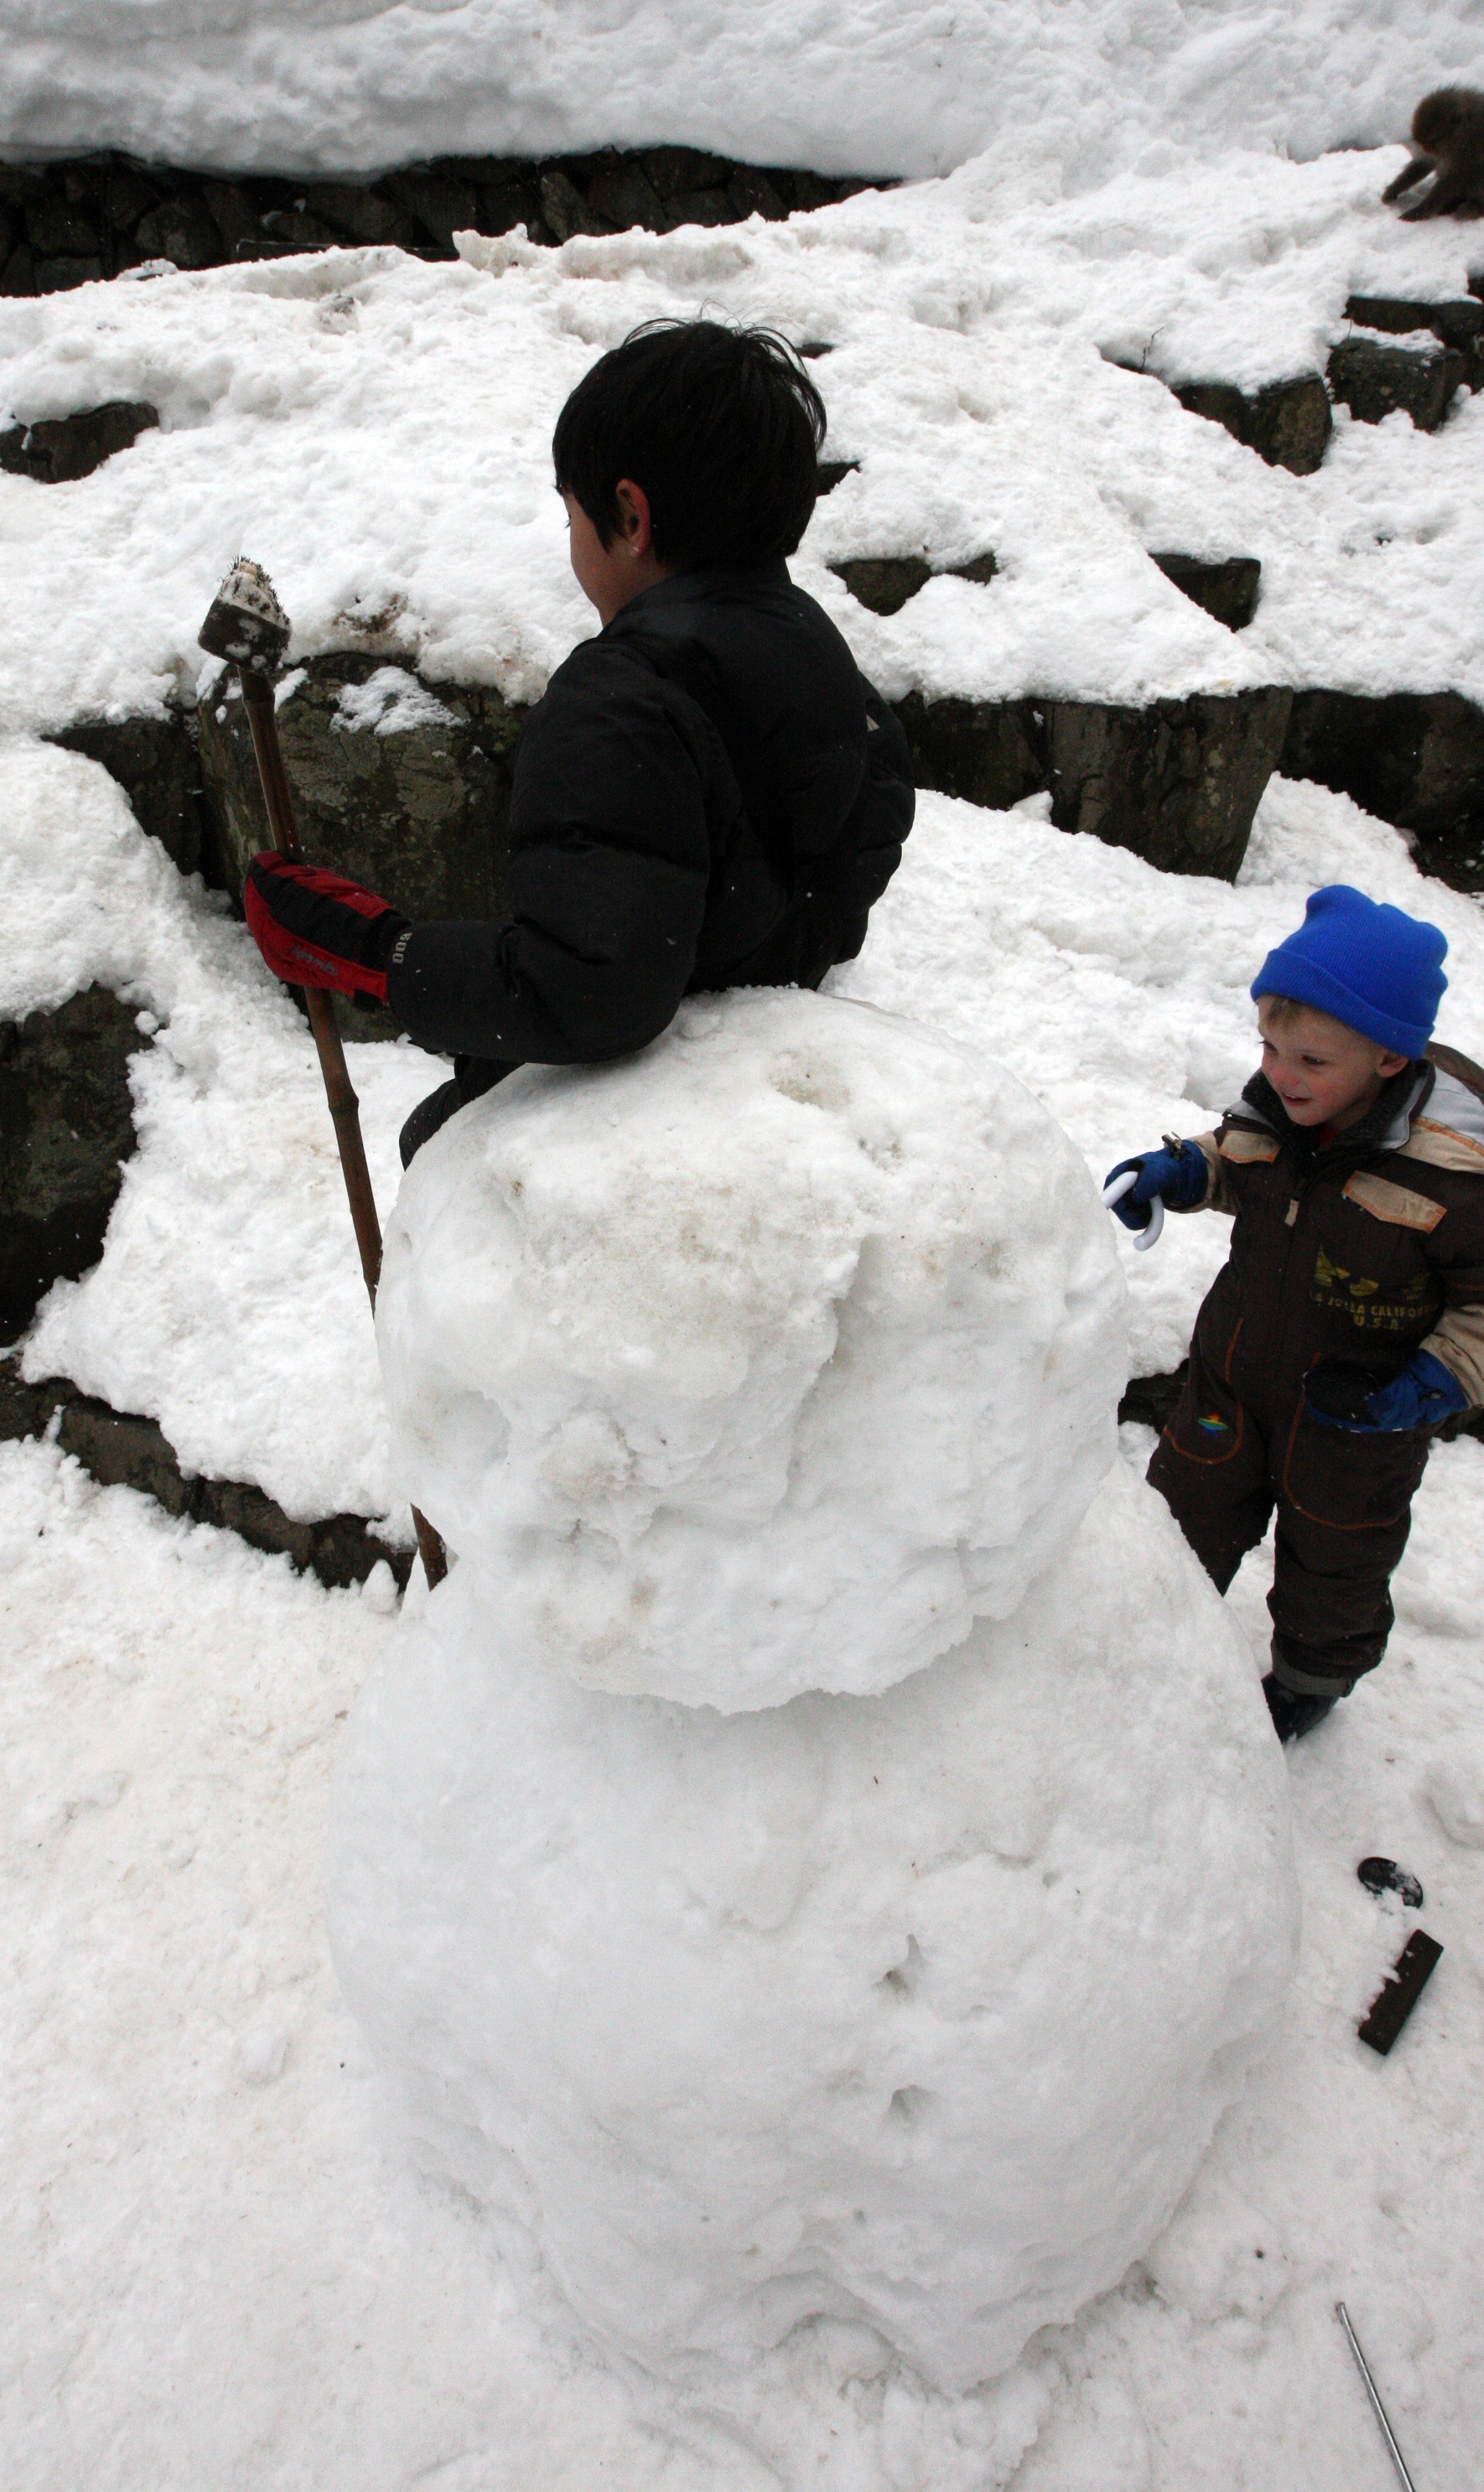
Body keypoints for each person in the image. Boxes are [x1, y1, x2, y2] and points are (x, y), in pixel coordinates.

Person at [241, 319, 914, 1164]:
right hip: (759, 1084)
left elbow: (592, 990)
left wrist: (377, 954)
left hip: (646, 1148)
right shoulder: (815, 652)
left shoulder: (624, 698)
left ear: (630, 515)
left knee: (444, 1149)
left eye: (572, 518)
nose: (571, 547)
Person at [1105, 885, 1484, 1742]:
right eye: (1271, 1047)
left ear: (1389, 1060)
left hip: (1359, 1420)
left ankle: (1313, 1678)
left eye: (1311, 1061)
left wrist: (1431, 1384)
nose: (1281, 1074)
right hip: (1234, 1377)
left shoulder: (1455, 1177)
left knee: (1337, 1557)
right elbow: (1239, 1158)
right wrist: (1182, 1173)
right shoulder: (1282, 1107)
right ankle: (1150, 1631)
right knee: (1182, 1513)